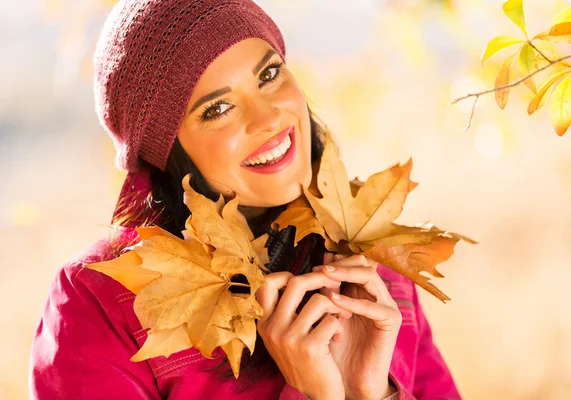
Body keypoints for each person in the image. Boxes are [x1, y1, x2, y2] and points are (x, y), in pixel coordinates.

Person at [28, 1, 462, 399]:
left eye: (268, 75)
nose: (270, 118)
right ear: (170, 154)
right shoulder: (104, 302)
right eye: (217, 109)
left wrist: (373, 393)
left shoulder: (371, 275)